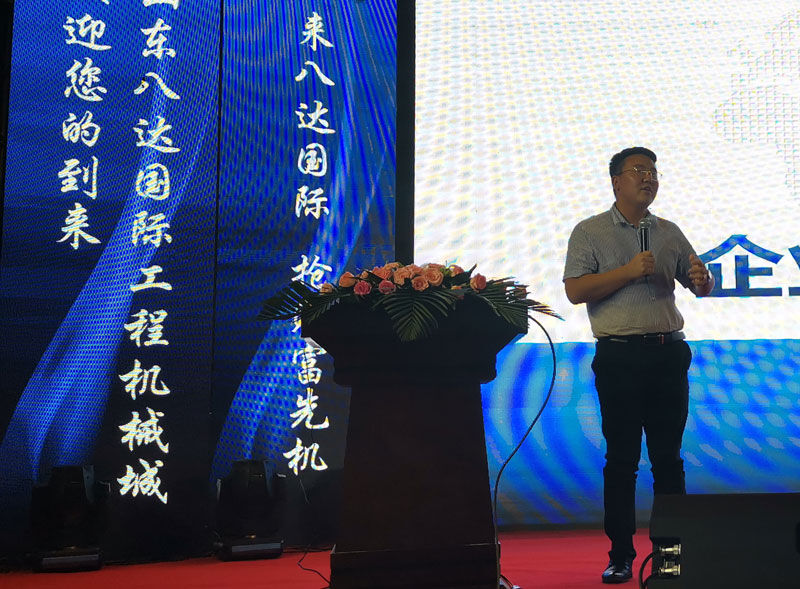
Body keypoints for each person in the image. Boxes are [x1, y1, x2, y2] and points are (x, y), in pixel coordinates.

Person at [562, 147, 714, 584]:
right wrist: (628, 271)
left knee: (668, 460)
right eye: (639, 171)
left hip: (668, 355)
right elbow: (575, 290)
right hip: (620, 358)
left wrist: (704, 280)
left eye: (653, 172)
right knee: (622, 460)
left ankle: (670, 558)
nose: (649, 178)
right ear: (616, 181)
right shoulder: (589, 231)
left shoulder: (668, 231)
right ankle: (621, 555)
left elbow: (698, 283)